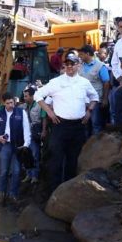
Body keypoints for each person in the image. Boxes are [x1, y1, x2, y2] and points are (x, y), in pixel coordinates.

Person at [35, 52, 99, 194]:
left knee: (73, 160)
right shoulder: (56, 82)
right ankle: (53, 192)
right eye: (67, 64)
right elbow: (37, 95)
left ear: (79, 65)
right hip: (60, 126)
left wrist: (89, 111)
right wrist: (49, 112)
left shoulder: (84, 82)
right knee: (56, 160)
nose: (69, 67)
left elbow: (95, 97)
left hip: (78, 126)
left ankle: (69, 192)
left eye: (72, 64)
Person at [0, 93, 31, 205]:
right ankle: (2, 193)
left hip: (18, 146)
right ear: (4, 103)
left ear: (14, 102)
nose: (10, 105)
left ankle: (13, 194)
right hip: (5, 145)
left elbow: (26, 130)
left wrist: (26, 145)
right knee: (4, 171)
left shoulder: (21, 112)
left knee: (16, 171)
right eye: (8, 103)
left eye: (12, 102)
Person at [21, 87, 45, 185]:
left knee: (35, 154)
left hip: (35, 133)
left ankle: (35, 176)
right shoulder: (23, 106)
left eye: (26, 96)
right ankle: (28, 175)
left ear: (32, 96)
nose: (24, 98)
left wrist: (44, 131)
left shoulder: (40, 105)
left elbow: (44, 118)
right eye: (24, 96)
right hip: (26, 134)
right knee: (26, 155)